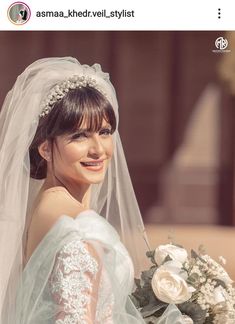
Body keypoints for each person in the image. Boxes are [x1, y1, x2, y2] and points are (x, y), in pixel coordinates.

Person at [0, 57, 185, 324]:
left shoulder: (46, 203)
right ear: (45, 148)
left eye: (105, 131)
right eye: (79, 135)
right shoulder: (79, 225)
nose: (98, 149)